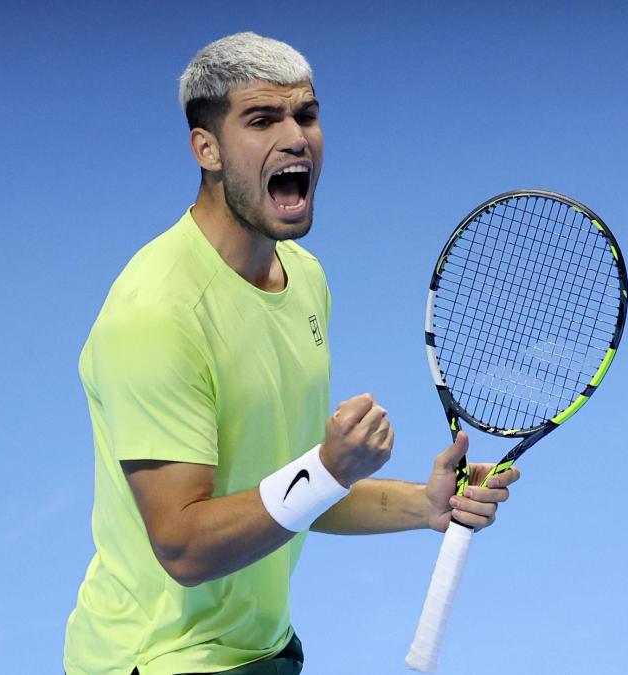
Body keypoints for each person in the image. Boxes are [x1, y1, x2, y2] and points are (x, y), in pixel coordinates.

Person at [63, 32, 521, 675]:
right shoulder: (157, 316)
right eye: (261, 119)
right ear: (207, 148)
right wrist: (333, 467)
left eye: (305, 115)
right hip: (162, 658)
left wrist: (425, 505)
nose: (295, 137)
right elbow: (185, 546)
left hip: (261, 649)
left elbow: (283, 494)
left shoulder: (302, 277)